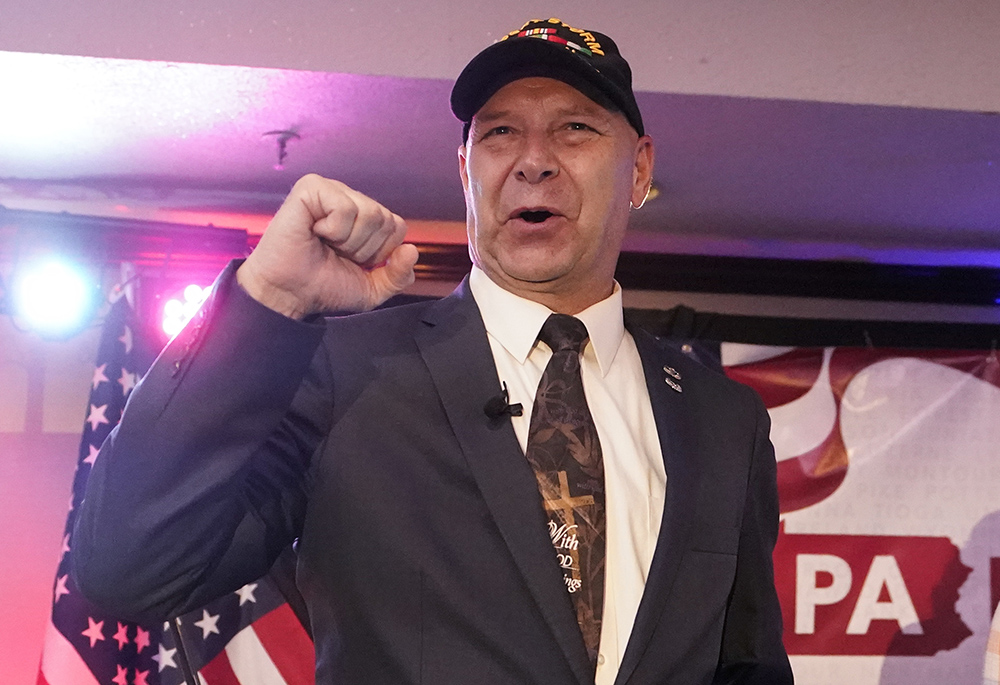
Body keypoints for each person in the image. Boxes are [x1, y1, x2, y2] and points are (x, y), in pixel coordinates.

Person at [73, 18, 793, 685]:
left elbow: (748, 669)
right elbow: (127, 570)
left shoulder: (722, 421)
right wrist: (268, 300)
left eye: (574, 128)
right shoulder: (346, 372)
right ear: (465, 168)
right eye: (501, 132)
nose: (533, 161)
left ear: (638, 170)